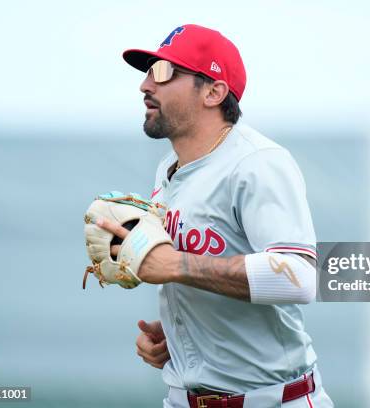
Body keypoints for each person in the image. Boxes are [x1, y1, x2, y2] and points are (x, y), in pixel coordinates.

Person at [97, 24, 334, 408]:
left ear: (213, 91)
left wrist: (175, 265)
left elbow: (301, 278)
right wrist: (180, 337)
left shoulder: (257, 163)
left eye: (163, 72)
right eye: (147, 72)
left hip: (271, 401)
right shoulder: (169, 167)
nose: (145, 85)